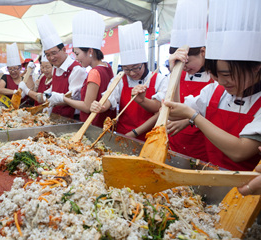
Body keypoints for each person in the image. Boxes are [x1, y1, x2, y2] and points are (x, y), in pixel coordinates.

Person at [164, 0, 261, 171]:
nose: (222, 82)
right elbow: (175, 113)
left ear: (255, 67)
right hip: (210, 177)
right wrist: (176, 73)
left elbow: (240, 151)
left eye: (227, 75)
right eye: (216, 75)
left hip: (247, 190)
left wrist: (194, 117)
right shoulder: (214, 91)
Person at [90, 21, 167, 140]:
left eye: (136, 68)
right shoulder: (120, 79)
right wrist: (100, 106)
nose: (131, 73)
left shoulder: (159, 80)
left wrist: (142, 100)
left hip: (151, 137)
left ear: (144, 63)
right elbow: (109, 98)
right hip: (123, 135)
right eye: (126, 69)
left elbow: (159, 108)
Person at [164, 0, 212, 161]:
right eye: (179, 63)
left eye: (187, 62)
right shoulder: (180, 73)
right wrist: (174, 74)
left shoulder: (217, 80)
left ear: (203, 52)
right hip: (176, 142)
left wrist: (189, 120)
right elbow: (173, 108)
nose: (183, 68)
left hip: (202, 146)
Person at [32, 14, 87, 119]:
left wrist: (52, 98)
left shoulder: (76, 69)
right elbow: (55, 90)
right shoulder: (56, 67)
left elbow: (74, 98)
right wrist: (47, 94)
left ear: (64, 50)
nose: (51, 58)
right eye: (47, 54)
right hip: (56, 116)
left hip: (70, 118)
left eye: (54, 53)